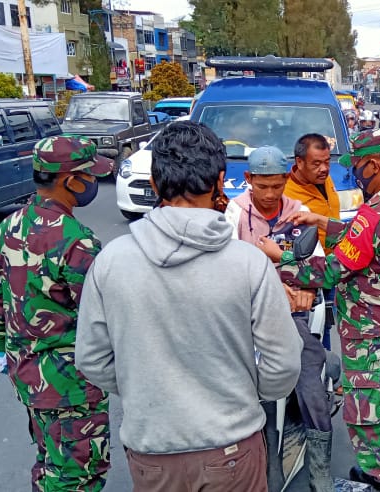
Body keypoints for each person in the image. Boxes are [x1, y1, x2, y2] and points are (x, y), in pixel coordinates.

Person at [75, 121, 302, 492]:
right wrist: (243, 393)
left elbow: (92, 360)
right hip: (232, 447)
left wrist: (148, 388)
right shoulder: (249, 263)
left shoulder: (111, 261)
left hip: (152, 451)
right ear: (220, 181)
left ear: (153, 183)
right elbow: (283, 365)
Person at [257, 129, 380, 492]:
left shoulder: (375, 212)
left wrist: (280, 258)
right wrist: (322, 223)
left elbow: (332, 270)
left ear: (374, 165)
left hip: (368, 330)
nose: (353, 173)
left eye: (358, 166)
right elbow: (365, 241)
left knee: (367, 413)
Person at [0, 135, 114, 492]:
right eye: (89, 175)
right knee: (77, 475)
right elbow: (102, 317)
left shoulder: (7, 229)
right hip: (71, 384)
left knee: (48, 458)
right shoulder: (77, 241)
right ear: (70, 181)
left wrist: (2, 350)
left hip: (26, 373)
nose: (93, 183)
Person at [225, 145, 333, 492]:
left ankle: (320, 469)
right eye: (262, 186)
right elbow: (225, 270)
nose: (270, 195)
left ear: (287, 179)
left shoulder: (299, 212)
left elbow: (316, 268)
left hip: (291, 318)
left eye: (277, 186)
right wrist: (274, 287)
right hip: (244, 315)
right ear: (248, 180)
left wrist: (309, 291)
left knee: (309, 368)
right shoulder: (236, 213)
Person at [286, 133, 342, 351]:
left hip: (333, 266)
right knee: (310, 329)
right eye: (316, 163)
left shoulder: (325, 180)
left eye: (327, 162)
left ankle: (329, 373)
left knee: (327, 323)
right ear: (299, 162)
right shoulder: (288, 194)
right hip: (306, 272)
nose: (324, 169)